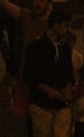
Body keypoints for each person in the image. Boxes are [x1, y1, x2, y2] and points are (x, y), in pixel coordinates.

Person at [22, 9, 75, 137]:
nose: (68, 29)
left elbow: (69, 72)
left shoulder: (65, 47)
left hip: (62, 105)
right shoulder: (35, 47)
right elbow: (30, 76)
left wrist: (69, 87)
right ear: (56, 25)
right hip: (42, 106)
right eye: (66, 25)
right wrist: (49, 90)